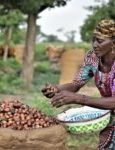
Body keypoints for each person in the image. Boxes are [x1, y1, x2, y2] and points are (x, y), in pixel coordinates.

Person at [41, 19, 115, 150]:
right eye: (93, 40)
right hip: (109, 117)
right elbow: (76, 84)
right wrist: (57, 89)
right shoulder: (93, 59)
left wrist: (78, 98)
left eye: (100, 41)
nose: (95, 45)